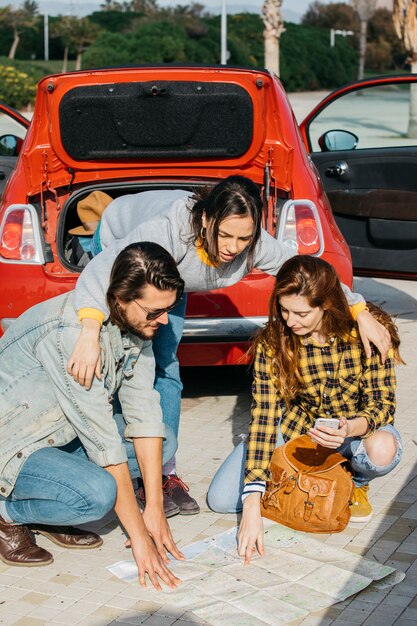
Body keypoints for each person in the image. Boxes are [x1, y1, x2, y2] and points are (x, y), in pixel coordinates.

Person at [66, 175, 391, 517]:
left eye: (244, 238)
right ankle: (114, 460)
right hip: (121, 238)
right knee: (127, 354)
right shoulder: (168, 231)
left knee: (166, 364)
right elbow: (104, 269)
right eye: (225, 235)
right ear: (206, 220)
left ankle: (162, 473)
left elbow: (312, 274)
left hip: (174, 274)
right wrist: (89, 332)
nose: (233, 248)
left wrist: (360, 310)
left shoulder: (253, 242)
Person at [0, 241, 184, 588]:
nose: (163, 320)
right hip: (13, 443)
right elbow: (103, 442)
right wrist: (140, 540)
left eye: (169, 309)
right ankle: (7, 513)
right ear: (119, 299)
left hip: (58, 432)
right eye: (153, 312)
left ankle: (54, 499)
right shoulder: (73, 337)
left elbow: (143, 412)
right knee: (96, 496)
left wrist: (154, 509)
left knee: (165, 441)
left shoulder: (137, 325)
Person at [207, 255, 403, 564]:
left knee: (382, 449)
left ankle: (356, 483)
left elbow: (383, 405)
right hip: (299, 432)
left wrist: (350, 427)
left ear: (326, 304)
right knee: (221, 499)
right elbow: (265, 417)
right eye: (283, 310)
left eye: (300, 313)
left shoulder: (367, 333)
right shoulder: (274, 342)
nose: (290, 321)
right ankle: (310, 475)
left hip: (355, 433)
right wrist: (252, 510)